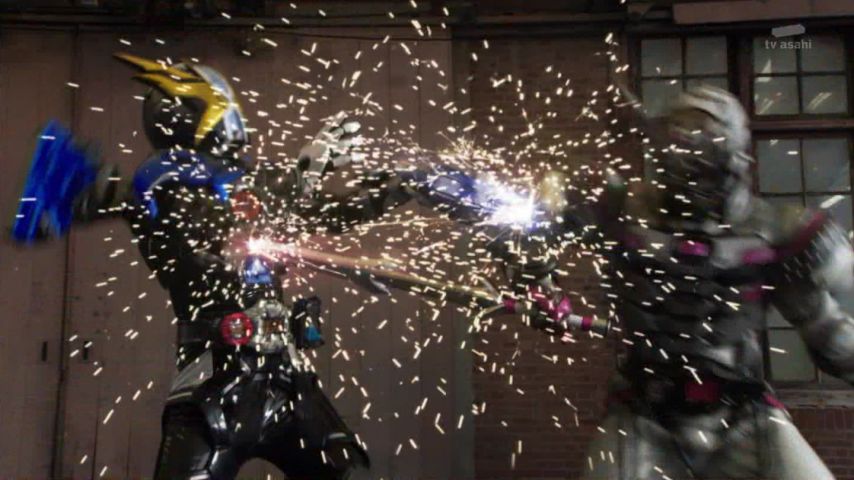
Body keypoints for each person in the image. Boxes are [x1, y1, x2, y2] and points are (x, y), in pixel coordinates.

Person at [12, 53, 369, 480]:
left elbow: (318, 212)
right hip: (215, 386)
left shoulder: (232, 182)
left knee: (346, 471)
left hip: (285, 385)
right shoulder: (166, 180)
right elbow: (217, 222)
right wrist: (304, 174)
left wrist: (408, 186)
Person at [525, 86, 854, 479]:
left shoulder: (773, 231)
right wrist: (542, 286)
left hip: (742, 415)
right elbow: (533, 244)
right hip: (644, 414)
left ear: (733, 159)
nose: (691, 176)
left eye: (703, 160)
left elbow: (826, 330)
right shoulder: (621, 212)